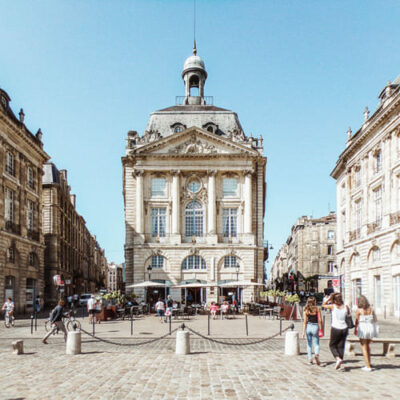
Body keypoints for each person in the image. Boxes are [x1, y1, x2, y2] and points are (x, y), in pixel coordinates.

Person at [322, 292, 349, 370]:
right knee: (341, 346)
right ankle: (339, 362)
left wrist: (329, 298)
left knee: (332, 345)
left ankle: (338, 358)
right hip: (344, 328)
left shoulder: (333, 306)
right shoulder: (346, 307)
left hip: (336, 328)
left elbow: (323, 305)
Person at [354, 295, 378, 372]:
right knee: (368, 346)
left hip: (363, 327)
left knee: (363, 347)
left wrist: (355, 329)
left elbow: (357, 320)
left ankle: (368, 366)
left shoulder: (359, 310)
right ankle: (369, 363)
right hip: (370, 327)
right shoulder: (371, 309)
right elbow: (375, 319)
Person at [302, 297, 322, 365]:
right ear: (314, 302)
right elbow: (320, 320)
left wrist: (303, 332)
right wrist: (321, 328)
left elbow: (305, 321)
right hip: (315, 326)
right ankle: (316, 354)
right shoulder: (317, 309)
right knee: (316, 343)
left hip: (308, 326)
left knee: (309, 344)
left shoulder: (306, 310)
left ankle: (310, 359)